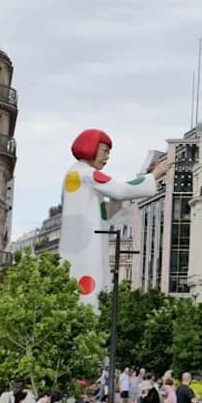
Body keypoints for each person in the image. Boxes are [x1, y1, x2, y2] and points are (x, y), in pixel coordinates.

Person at [58, 129, 171, 309]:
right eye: (104, 151)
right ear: (91, 148)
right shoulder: (86, 174)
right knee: (89, 289)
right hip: (87, 245)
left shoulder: (75, 174)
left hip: (81, 241)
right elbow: (120, 189)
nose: (107, 157)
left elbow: (106, 210)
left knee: (83, 285)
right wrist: (155, 175)